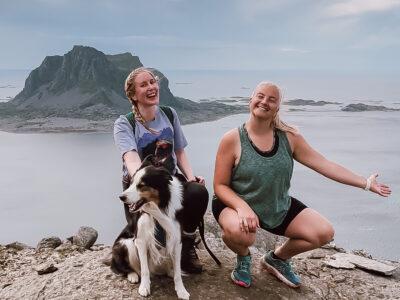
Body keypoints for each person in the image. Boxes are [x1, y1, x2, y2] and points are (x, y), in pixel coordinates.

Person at [212, 81, 392, 288]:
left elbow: (324, 164)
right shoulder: (232, 139)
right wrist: (242, 208)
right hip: (233, 205)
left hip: (275, 205)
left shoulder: (289, 137)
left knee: (323, 232)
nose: (264, 102)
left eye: (272, 99)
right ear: (250, 101)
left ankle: (276, 259)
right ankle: (243, 258)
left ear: (278, 107)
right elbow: (220, 186)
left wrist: (366, 184)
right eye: (260, 96)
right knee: (242, 235)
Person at [114, 67, 208, 274]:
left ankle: (187, 245)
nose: (151, 87)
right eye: (143, 84)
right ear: (132, 94)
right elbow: (131, 160)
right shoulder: (124, 124)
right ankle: (129, 251)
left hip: (170, 180)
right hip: (141, 183)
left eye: (152, 82)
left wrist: (191, 179)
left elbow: (180, 151)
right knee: (150, 232)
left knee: (198, 193)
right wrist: (143, 186)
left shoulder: (169, 114)